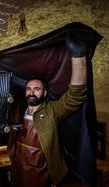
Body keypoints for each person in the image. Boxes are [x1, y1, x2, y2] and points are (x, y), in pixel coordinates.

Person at [10, 37, 88, 187]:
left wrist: (78, 56)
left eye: (37, 89)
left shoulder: (52, 110)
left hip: (41, 176)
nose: (31, 92)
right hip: (17, 170)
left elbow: (76, 96)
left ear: (44, 93)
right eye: (29, 89)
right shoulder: (17, 110)